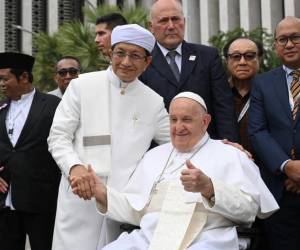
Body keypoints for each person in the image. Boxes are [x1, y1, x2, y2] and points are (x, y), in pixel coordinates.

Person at [73, 91, 278, 250]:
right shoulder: (154, 156)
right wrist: (101, 193)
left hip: (207, 239)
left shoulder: (230, 155)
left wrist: (209, 188)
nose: (178, 127)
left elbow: (249, 211)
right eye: (173, 119)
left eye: (186, 119)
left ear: (205, 121)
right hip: (150, 239)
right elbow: (135, 211)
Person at [48, 24, 170, 250]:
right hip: (78, 198)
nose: (125, 62)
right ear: (110, 53)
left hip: (120, 205)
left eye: (135, 55)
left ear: (147, 62)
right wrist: (74, 167)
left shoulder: (153, 102)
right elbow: (58, 137)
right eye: (120, 53)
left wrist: (220, 147)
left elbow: (178, 141)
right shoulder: (81, 86)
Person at [140, 0, 238, 141]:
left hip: (206, 145)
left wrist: (229, 145)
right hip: (159, 149)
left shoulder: (208, 56)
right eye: (163, 21)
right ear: (151, 26)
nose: (171, 26)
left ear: (184, 22)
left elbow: (223, 105)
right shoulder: (143, 61)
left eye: (176, 19)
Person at [248, 16, 300, 250]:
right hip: (279, 191)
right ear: (275, 46)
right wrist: (286, 166)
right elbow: (257, 131)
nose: (289, 44)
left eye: (295, 37)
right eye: (282, 39)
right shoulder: (262, 83)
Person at [0, 52, 61, 250]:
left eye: (4, 78)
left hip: (41, 200)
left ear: (24, 77)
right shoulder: (0, 108)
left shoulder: (53, 105)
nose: (1, 83)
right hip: (5, 201)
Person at [223, 37, 263, 155]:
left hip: (266, 166)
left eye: (249, 56)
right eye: (236, 56)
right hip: (227, 163)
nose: (242, 62)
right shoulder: (217, 93)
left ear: (259, 59)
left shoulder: (271, 91)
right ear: (227, 61)